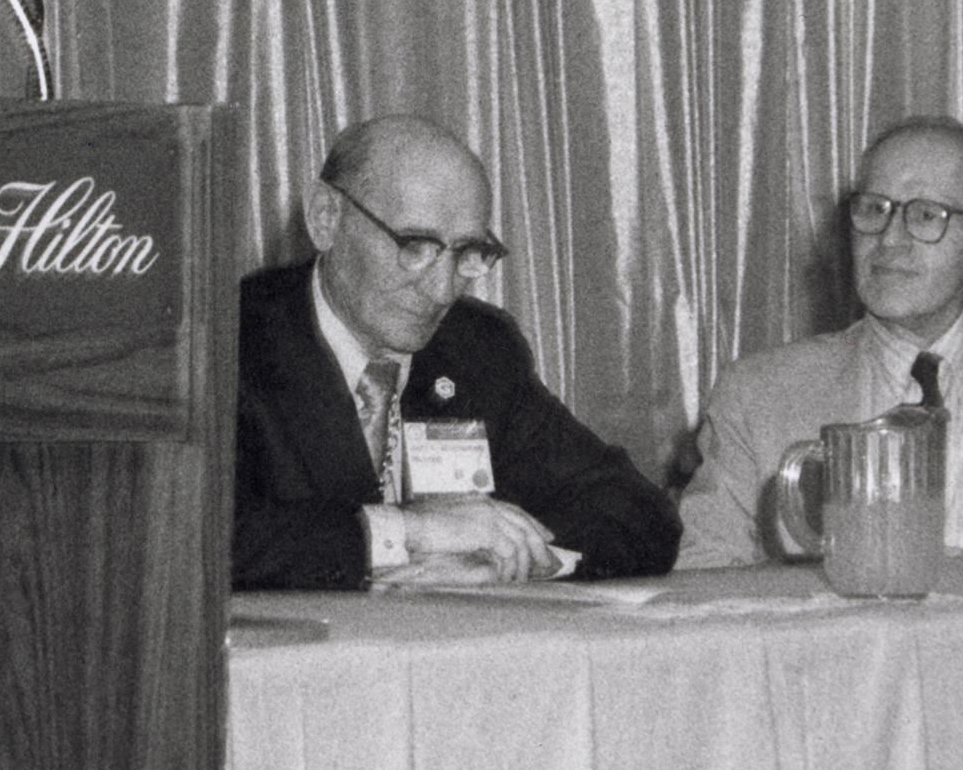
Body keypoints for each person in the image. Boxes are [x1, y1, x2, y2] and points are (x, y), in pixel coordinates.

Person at [675, 116, 963, 569]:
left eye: (925, 215)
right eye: (873, 209)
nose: (889, 240)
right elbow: (700, 580)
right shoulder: (759, 394)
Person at [235, 114, 680, 589]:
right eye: (415, 245)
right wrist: (412, 530)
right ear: (326, 217)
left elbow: (637, 510)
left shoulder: (477, 347)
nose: (443, 290)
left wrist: (512, 557)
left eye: (467, 252)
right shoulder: (230, 342)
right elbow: (208, 537)